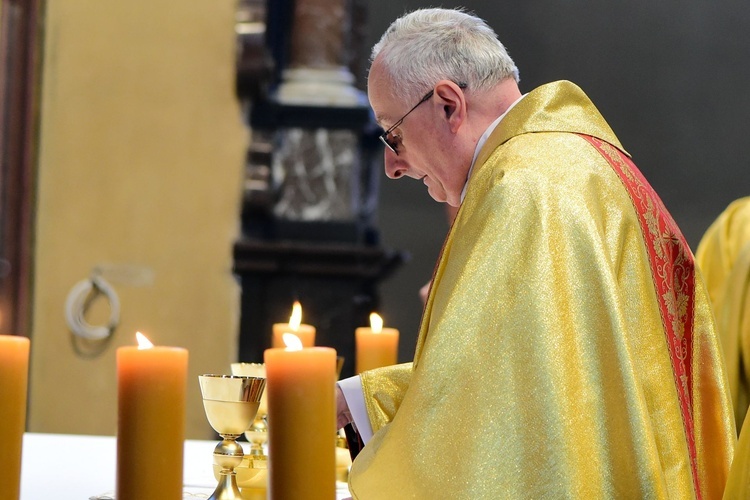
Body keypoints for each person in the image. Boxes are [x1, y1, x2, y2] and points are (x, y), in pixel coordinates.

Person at [336, 7, 735, 498]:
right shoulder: (579, 161)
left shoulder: (522, 189)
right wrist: (359, 400)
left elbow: (504, 443)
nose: (392, 164)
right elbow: (539, 385)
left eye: (392, 134)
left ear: (446, 104)